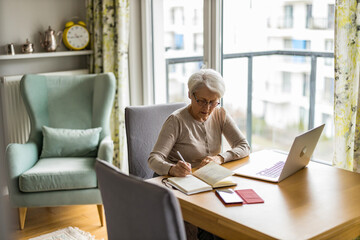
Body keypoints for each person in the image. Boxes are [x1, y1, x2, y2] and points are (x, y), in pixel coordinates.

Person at [148, 68, 251, 240]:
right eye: (202, 101)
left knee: (234, 215)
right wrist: (173, 169)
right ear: (190, 94)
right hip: (180, 185)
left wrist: (220, 158)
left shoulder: (220, 114)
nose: (207, 108)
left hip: (208, 183)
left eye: (213, 102)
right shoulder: (176, 121)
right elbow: (153, 159)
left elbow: (243, 146)